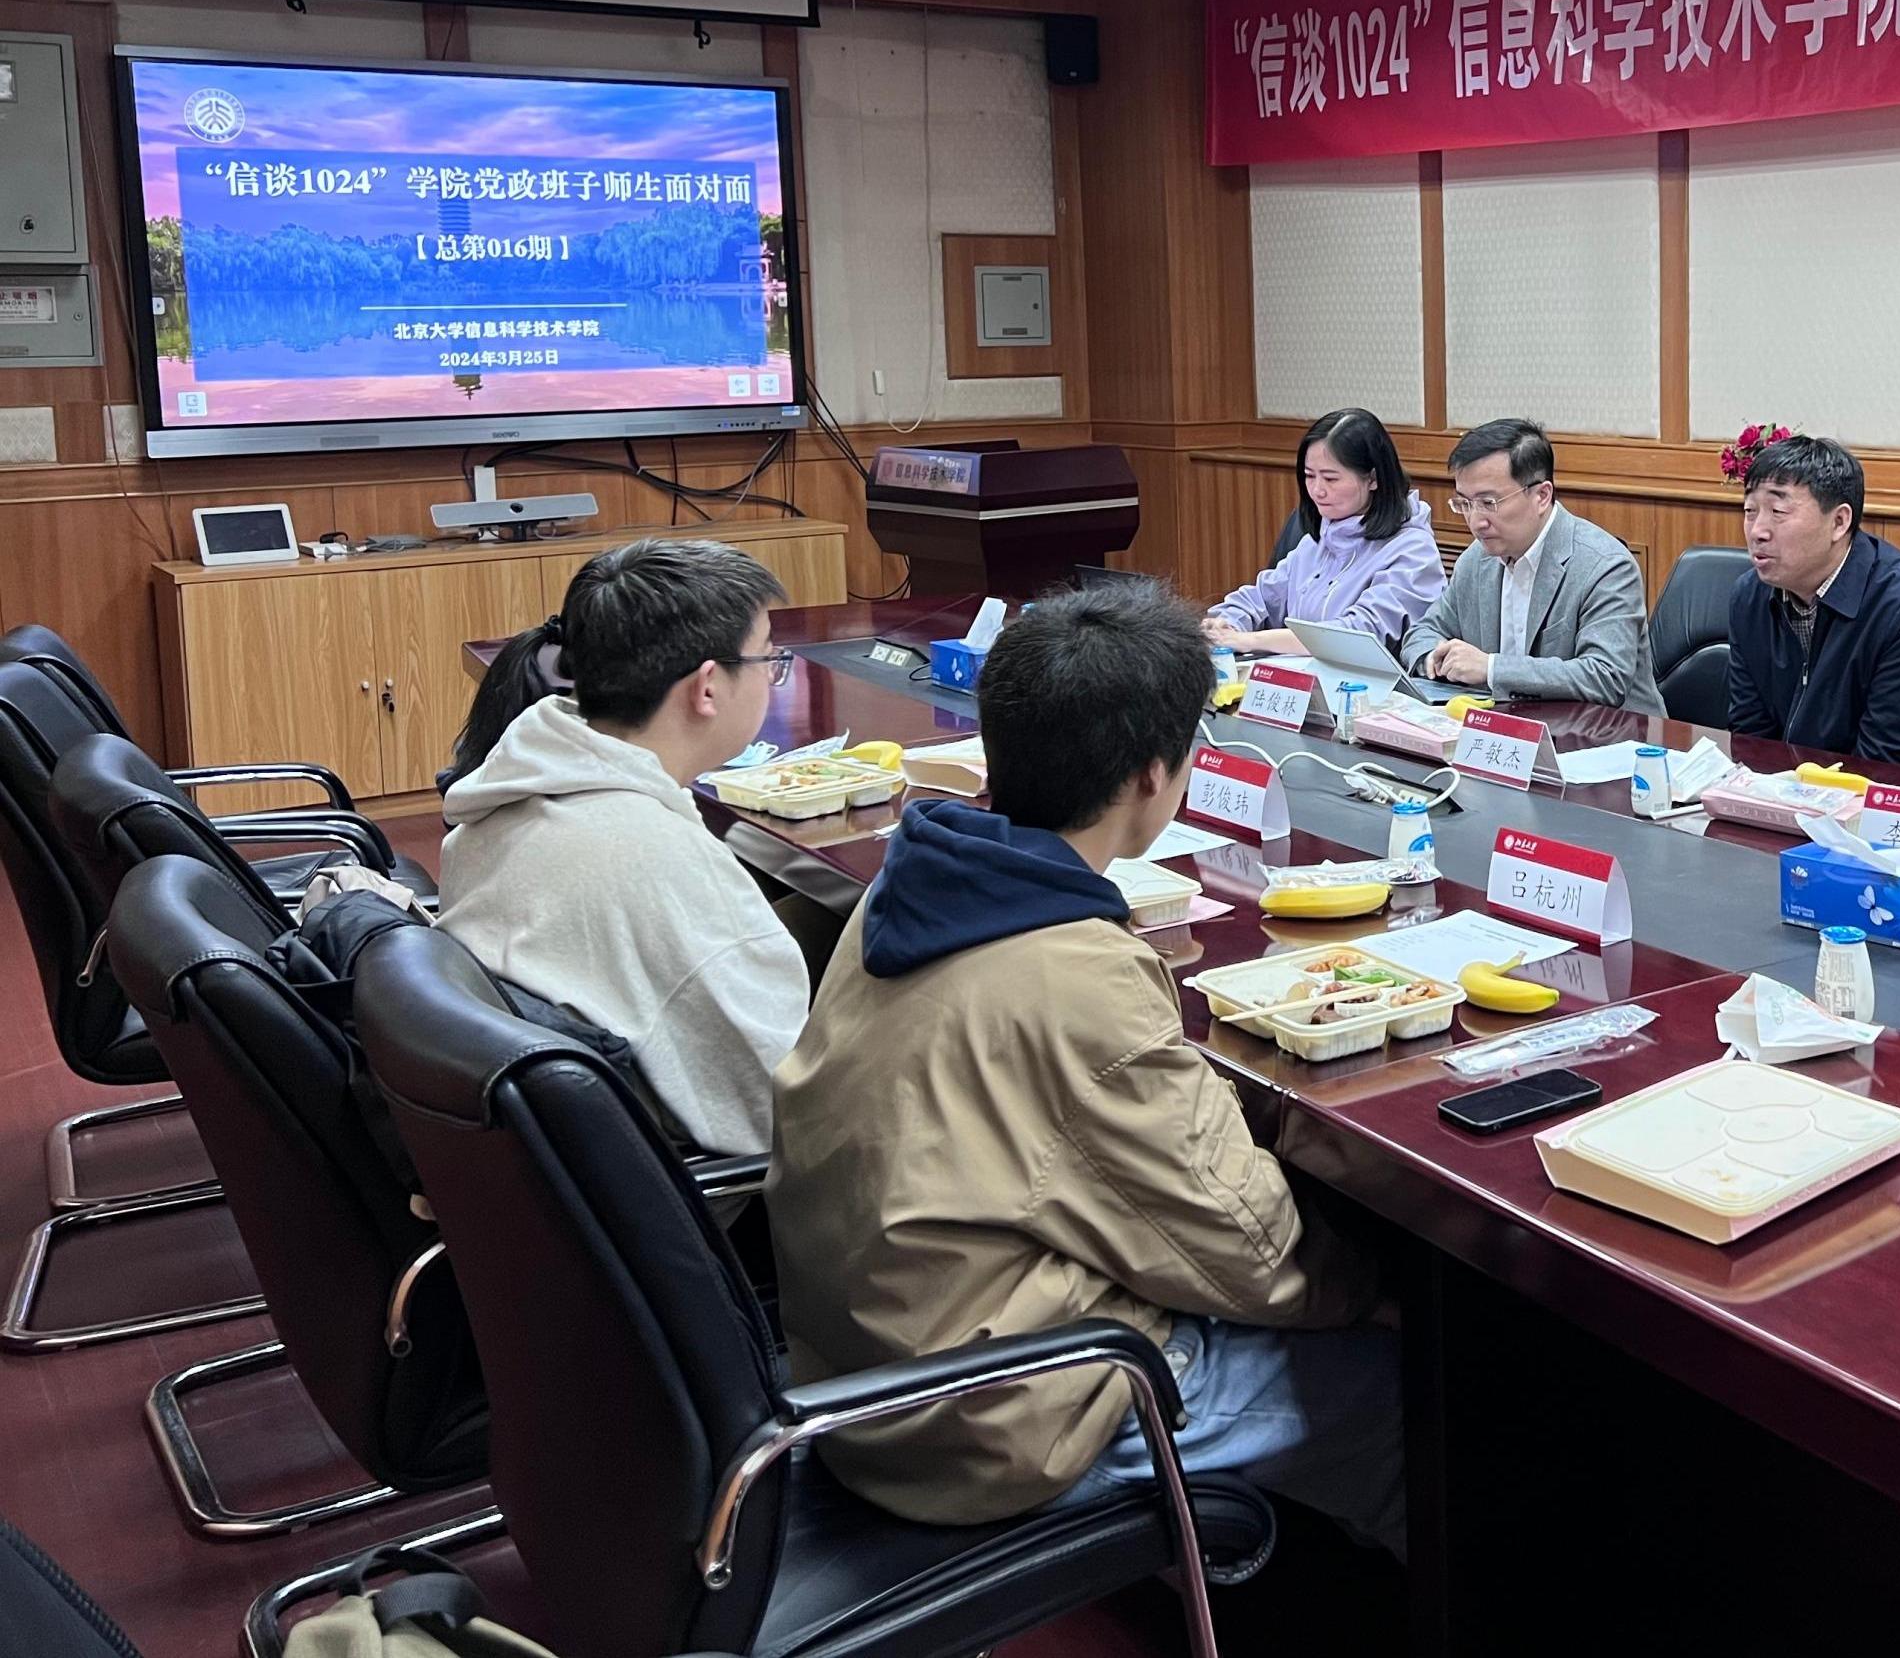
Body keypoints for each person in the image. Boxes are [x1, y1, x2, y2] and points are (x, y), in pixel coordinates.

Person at [766, 580, 1398, 1556]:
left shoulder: (913, 881)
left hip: (856, 1366)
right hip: (991, 1417)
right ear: (1155, 775)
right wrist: (1389, 1290)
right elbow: (1249, 1249)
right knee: (1421, 1395)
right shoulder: (1076, 970)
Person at [434, 539, 809, 1156]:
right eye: (767, 657)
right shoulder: (662, 866)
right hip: (711, 1193)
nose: (772, 674)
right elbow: (789, 1112)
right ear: (708, 688)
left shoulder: (511, 787)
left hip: (546, 1164)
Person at [1726, 435, 1900, 783]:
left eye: (1778, 512)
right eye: (1750, 511)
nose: (1757, 531)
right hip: (1797, 799)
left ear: (1839, 522)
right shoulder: (1750, 597)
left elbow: (1885, 765)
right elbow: (1752, 741)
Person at [1397, 418, 1661, 714]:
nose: (1476, 521)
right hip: (1508, 729)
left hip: (1613, 734)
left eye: (1488, 503)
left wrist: (1491, 669)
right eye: (1465, 504)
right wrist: (1435, 658)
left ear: (1541, 496)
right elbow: (1423, 632)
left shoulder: (1604, 565)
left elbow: (1604, 676)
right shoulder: (1476, 560)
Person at [1203, 407, 1444, 656]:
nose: (1317, 490)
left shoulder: (1413, 550)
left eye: (1331, 479)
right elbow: (1262, 598)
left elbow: (1357, 636)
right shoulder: (1321, 537)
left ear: (1373, 478)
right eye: (1309, 476)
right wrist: (1226, 623)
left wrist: (1251, 640)